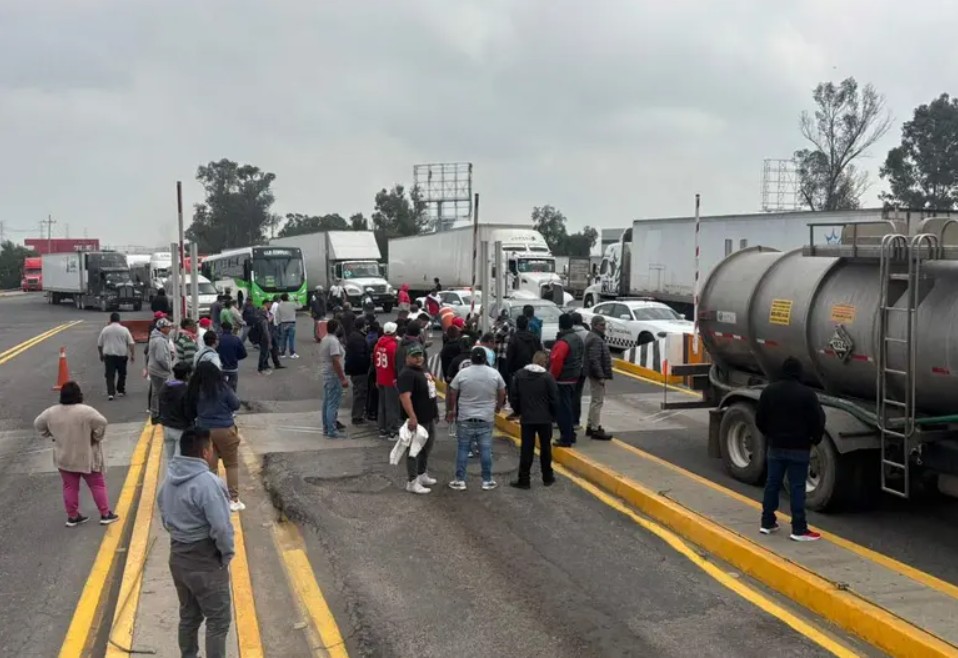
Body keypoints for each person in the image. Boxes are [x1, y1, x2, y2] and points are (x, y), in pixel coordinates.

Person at [157, 428, 234, 658]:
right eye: (211, 448)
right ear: (204, 452)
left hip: (178, 557)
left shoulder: (167, 482)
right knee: (218, 620)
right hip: (205, 560)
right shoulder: (208, 483)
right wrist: (226, 554)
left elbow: (165, 520)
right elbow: (221, 527)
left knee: (189, 615)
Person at [756, 357, 826, 542]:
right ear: (799, 373)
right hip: (799, 448)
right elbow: (818, 420)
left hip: (776, 446)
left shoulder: (769, 391)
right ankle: (798, 529)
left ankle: (767, 522)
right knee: (797, 488)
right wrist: (814, 439)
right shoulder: (807, 394)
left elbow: (760, 419)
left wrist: (770, 434)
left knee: (772, 484)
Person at [34, 381, 119, 527]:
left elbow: (38, 423)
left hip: (64, 456)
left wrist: (51, 434)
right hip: (86, 456)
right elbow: (102, 422)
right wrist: (96, 437)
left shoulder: (51, 412)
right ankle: (105, 514)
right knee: (97, 484)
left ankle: (72, 516)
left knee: (69, 487)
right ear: (79, 395)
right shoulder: (86, 411)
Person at [186, 361, 245, 511]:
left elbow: (190, 409)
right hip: (225, 429)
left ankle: (213, 498)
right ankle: (233, 499)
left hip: (204, 431)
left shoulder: (195, 389)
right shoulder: (222, 387)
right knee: (231, 464)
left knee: (210, 468)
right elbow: (236, 404)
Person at [447, 346, 506, 491]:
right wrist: (498, 406)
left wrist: (451, 410)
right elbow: (502, 390)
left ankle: (460, 480)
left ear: (471, 359)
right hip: (486, 418)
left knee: (463, 448)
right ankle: (487, 480)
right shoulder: (494, 373)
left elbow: (452, 391)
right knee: (485, 449)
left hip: (465, 417)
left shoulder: (463, 373)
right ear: (485, 359)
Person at [509, 351, 558, 489]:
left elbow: (514, 396)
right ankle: (547, 476)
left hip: (527, 418)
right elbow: (554, 398)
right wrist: (553, 415)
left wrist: (518, 411)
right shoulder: (548, 377)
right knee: (546, 448)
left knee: (526, 449)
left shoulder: (519, 375)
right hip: (545, 418)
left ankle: (524, 479)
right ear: (544, 362)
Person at [397, 343, 438, 494]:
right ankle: (412, 481)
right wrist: (412, 416)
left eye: (420, 355)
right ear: (407, 357)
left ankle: (422, 474)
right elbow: (405, 396)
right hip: (418, 418)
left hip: (428, 416)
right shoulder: (407, 374)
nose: (418, 358)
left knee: (427, 447)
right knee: (414, 450)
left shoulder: (422, 370)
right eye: (414, 356)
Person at [549, 313, 585, 448]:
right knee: (569, 407)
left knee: (562, 410)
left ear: (560, 325)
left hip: (562, 380)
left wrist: (552, 378)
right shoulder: (577, 338)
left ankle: (566, 437)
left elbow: (557, 362)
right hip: (574, 377)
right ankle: (571, 434)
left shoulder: (563, 342)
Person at [583, 315, 613, 440]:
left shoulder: (594, 337)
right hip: (596, 375)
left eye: (604, 324)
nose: (604, 327)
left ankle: (591, 425)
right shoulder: (595, 339)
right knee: (597, 401)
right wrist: (601, 376)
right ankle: (594, 428)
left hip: (594, 373)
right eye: (601, 325)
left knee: (595, 400)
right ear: (595, 325)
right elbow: (594, 359)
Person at [318, 318, 349, 438]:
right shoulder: (333, 342)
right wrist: (342, 378)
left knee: (327, 402)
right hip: (333, 375)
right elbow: (335, 361)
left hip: (327, 374)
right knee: (333, 403)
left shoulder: (325, 339)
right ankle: (332, 429)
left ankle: (327, 427)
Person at [97, 312, 135, 401]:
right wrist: (132, 354)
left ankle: (111, 393)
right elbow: (131, 343)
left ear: (110, 320)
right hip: (122, 354)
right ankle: (120, 390)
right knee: (122, 373)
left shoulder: (105, 330)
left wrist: (101, 354)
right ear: (119, 320)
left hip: (109, 355)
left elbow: (99, 344)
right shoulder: (124, 329)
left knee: (109, 374)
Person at [159, 361, 192, 461]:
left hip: (167, 426)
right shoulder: (185, 390)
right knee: (179, 461)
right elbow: (188, 411)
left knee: (170, 460)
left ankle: (170, 477)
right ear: (187, 375)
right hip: (180, 428)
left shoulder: (165, 387)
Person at [374, 322, 401, 439]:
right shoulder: (393, 346)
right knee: (392, 406)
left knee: (382, 404)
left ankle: (382, 428)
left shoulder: (378, 345)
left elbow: (375, 363)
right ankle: (392, 430)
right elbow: (396, 365)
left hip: (380, 377)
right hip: (391, 379)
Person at [148, 318, 175, 424]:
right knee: (162, 394)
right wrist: (168, 367)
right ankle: (160, 415)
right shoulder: (160, 341)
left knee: (156, 392)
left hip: (154, 369)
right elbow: (161, 358)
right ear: (162, 328)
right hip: (160, 371)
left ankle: (155, 414)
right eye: (168, 327)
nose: (169, 329)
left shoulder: (155, 338)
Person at [344, 317, 371, 425]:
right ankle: (357, 417)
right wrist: (367, 363)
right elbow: (359, 357)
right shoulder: (358, 338)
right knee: (360, 393)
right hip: (359, 371)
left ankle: (357, 414)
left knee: (358, 392)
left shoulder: (354, 336)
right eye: (366, 324)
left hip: (355, 370)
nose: (367, 326)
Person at [505, 315, 542, 382]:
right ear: (527, 324)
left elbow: (509, 356)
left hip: (517, 373)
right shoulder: (535, 338)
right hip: (534, 371)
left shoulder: (513, 339)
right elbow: (540, 354)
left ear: (517, 325)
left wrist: (509, 372)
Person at [570, 312, 591, 430]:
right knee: (577, 395)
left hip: (571, 368)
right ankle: (575, 421)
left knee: (567, 395)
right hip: (582, 368)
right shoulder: (588, 334)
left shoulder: (569, 334)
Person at [217, 322, 248, 393]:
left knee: (220, 388)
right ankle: (232, 401)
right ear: (231, 329)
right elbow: (244, 354)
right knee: (232, 389)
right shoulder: (236, 339)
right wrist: (235, 358)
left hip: (220, 367)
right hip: (233, 368)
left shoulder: (218, 339)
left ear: (222, 329)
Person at [493, 309, 515, 387]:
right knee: (505, 373)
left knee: (503, 374)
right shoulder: (510, 323)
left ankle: (504, 390)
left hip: (503, 352)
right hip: (506, 352)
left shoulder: (505, 324)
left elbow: (496, 335)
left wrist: (495, 325)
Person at [275, 293, 299, 358]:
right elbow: (300, 306)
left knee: (283, 339)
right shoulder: (292, 304)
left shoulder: (279, 305)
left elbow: (277, 315)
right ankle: (292, 353)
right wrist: (296, 300)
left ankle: (283, 353)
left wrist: (279, 322)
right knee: (291, 339)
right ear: (288, 298)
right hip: (291, 323)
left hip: (283, 323)